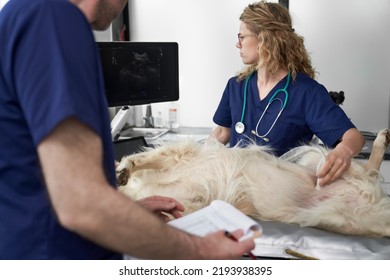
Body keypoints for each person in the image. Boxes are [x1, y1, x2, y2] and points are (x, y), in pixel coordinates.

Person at [0, 0, 255, 259]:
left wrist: (127, 211)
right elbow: (82, 204)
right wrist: (202, 249)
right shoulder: (53, 19)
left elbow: (47, 184)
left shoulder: (26, 12)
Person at [212, 1, 364, 186]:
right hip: (235, 188)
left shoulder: (306, 92)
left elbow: (354, 138)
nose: (237, 44)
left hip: (280, 195)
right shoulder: (236, 86)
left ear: (264, 39)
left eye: (241, 36)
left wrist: (343, 151)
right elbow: (221, 133)